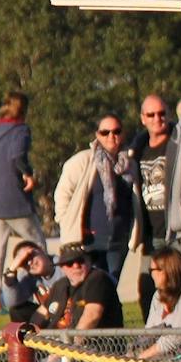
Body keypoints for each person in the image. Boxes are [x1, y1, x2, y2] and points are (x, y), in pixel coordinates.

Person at [128, 94, 181, 315]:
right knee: (148, 284)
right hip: (151, 231)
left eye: (161, 113)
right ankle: (153, 334)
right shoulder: (137, 147)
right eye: (151, 114)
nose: (157, 118)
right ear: (142, 118)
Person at [54, 113, 136, 282]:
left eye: (116, 131)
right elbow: (62, 196)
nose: (111, 136)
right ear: (97, 135)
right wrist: (70, 225)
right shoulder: (82, 161)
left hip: (118, 240)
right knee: (92, 288)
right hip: (89, 241)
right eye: (105, 132)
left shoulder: (129, 164)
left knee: (111, 286)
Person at [0, 91, 45, 314]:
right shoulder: (20, 130)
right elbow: (17, 155)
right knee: (37, 242)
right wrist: (28, 174)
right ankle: (43, 289)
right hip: (14, 199)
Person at [36, 243, 123, 330]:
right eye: (69, 263)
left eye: (80, 261)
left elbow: (91, 316)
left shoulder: (97, 279)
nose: (76, 266)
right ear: (62, 268)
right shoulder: (60, 285)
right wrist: (28, 331)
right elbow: (40, 314)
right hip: (56, 340)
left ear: (89, 261)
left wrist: (74, 342)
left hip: (93, 342)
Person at [136, 246, 181, 356]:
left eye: (153, 270)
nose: (151, 274)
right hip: (158, 357)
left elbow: (177, 336)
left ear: (168, 270)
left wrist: (143, 357)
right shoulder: (157, 295)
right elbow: (149, 331)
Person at [1, 241, 56, 324]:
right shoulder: (30, 276)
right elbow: (11, 302)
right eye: (24, 262)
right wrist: (12, 269)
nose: (30, 263)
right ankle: (31, 336)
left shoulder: (64, 265)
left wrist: (45, 307)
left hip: (71, 315)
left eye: (31, 256)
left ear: (41, 249)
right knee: (17, 310)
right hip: (52, 316)